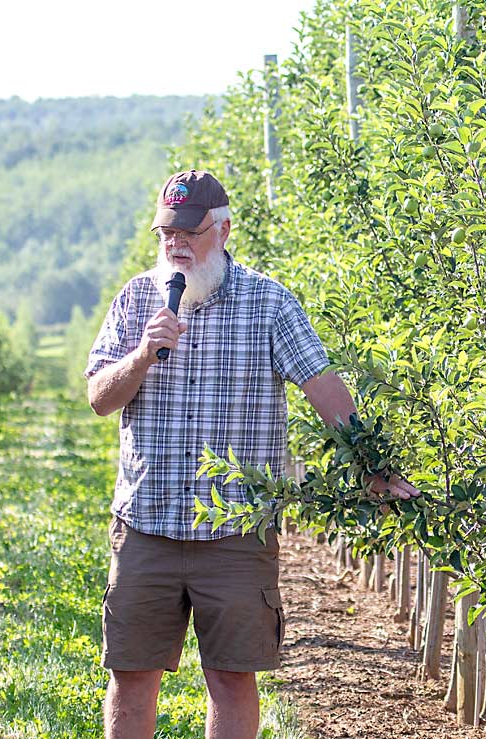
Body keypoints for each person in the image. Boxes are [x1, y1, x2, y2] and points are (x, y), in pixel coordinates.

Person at [85, 170, 419, 739]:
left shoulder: (267, 303)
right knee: (132, 674)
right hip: (146, 525)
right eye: (167, 234)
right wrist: (143, 354)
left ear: (223, 229)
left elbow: (322, 386)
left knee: (232, 677)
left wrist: (374, 469)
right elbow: (99, 397)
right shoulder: (138, 298)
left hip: (236, 532)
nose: (177, 245)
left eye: (189, 233)